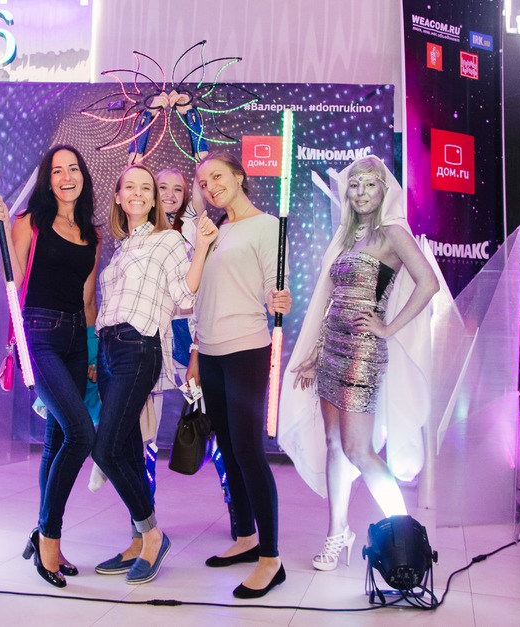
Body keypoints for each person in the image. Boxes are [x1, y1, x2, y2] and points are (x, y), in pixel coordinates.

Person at [282, 155, 439, 572]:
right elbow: (330, 301)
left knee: (358, 449)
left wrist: (388, 328)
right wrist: (315, 353)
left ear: (384, 190)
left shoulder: (392, 231)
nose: (362, 192)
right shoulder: (346, 236)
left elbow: (428, 283)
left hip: (363, 352)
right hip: (331, 349)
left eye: (370, 184)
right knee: (334, 444)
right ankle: (337, 534)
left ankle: (404, 537)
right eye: (355, 185)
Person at [92, 164, 218, 585]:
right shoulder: (122, 248)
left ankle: (152, 535)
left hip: (139, 348)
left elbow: (184, 294)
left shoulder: (167, 240)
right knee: (127, 450)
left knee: (106, 450)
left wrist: (201, 248)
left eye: (146, 187)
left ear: (153, 200)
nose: (139, 192)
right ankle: (137, 541)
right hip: (109, 351)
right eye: (130, 186)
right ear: (118, 196)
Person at [0, 145, 100, 588]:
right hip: (39, 333)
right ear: (47, 180)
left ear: (83, 176)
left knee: (56, 440)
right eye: (57, 171)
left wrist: (92, 351)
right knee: (81, 433)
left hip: (76, 338)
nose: (67, 177)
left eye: (73, 169)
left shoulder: (90, 234)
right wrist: (0, 229)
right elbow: (14, 277)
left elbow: (88, 299)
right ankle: (49, 537)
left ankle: (43, 533)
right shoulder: (28, 221)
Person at [188, 152, 291, 599]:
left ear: (239, 176)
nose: (210, 186)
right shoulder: (214, 230)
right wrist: (196, 350)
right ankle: (245, 536)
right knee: (228, 448)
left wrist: (278, 299)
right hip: (210, 351)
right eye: (203, 182)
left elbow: (274, 284)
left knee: (248, 450)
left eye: (217, 177)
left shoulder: (266, 226)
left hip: (247, 348)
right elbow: (203, 295)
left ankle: (271, 559)